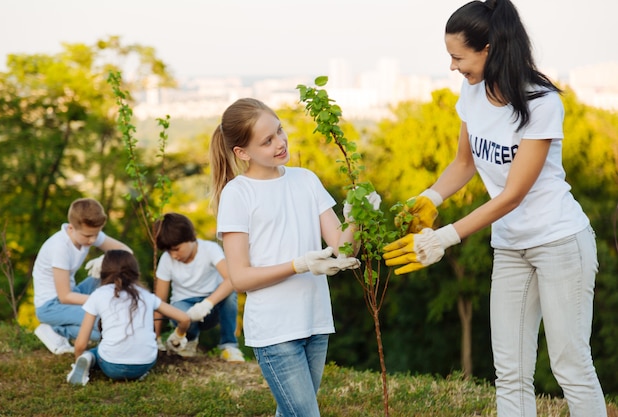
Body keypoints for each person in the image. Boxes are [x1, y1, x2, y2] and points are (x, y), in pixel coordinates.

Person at [383, 1, 608, 416]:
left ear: (488, 48)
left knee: (570, 364)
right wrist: (430, 197)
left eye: (457, 56)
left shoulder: (541, 102)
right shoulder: (471, 91)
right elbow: (464, 163)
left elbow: (512, 195)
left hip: (560, 241)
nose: (452, 67)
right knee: (510, 370)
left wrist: (445, 238)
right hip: (510, 246)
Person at [209, 98, 368, 417]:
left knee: (292, 412)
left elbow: (343, 249)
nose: (280, 143)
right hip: (274, 329)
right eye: (267, 141)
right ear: (242, 152)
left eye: (279, 131)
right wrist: (300, 264)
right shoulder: (238, 194)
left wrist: (359, 215)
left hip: (315, 319)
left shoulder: (305, 180)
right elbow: (239, 278)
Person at [67, 250, 191, 385]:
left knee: (95, 353)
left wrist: (78, 358)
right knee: (136, 356)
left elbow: (80, 344)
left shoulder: (99, 294)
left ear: (104, 272)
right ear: (135, 272)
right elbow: (184, 318)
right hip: (145, 363)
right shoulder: (146, 295)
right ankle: (137, 372)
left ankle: (87, 360)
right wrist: (179, 334)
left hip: (111, 366)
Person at [33, 197, 133, 354]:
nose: (92, 240)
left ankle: (60, 326)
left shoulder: (88, 232)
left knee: (116, 271)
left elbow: (127, 254)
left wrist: (106, 259)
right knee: (106, 327)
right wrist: (102, 301)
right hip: (51, 306)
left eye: (96, 234)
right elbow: (65, 296)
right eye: (88, 236)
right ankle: (56, 330)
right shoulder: (60, 248)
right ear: (71, 228)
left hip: (73, 294)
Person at [153, 212, 245, 362]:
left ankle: (229, 346)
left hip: (213, 306)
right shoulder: (166, 260)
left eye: (176, 249)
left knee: (230, 294)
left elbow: (232, 280)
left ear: (190, 238)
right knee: (177, 311)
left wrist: (206, 304)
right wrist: (155, 339)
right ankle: (189, 340)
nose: (174, 255)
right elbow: (159, 301)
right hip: (184, 309)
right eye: (169, 251)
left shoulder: (210, 249)